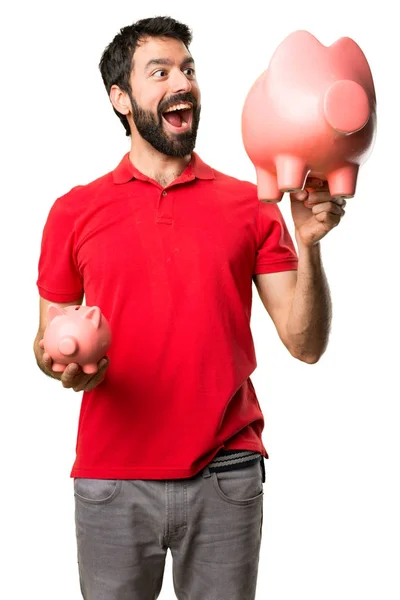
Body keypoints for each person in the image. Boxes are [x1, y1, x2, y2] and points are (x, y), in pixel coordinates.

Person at [33, 15, 346, 600]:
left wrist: (307, 245)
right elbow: (47, 337)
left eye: (189, 69)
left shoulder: (250, 205)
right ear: (120, 99)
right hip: (111, 476)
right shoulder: (73, 212)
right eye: (161, 72)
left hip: (225, 475)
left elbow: (305, 345)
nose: (183, 83)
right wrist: (64, 363)